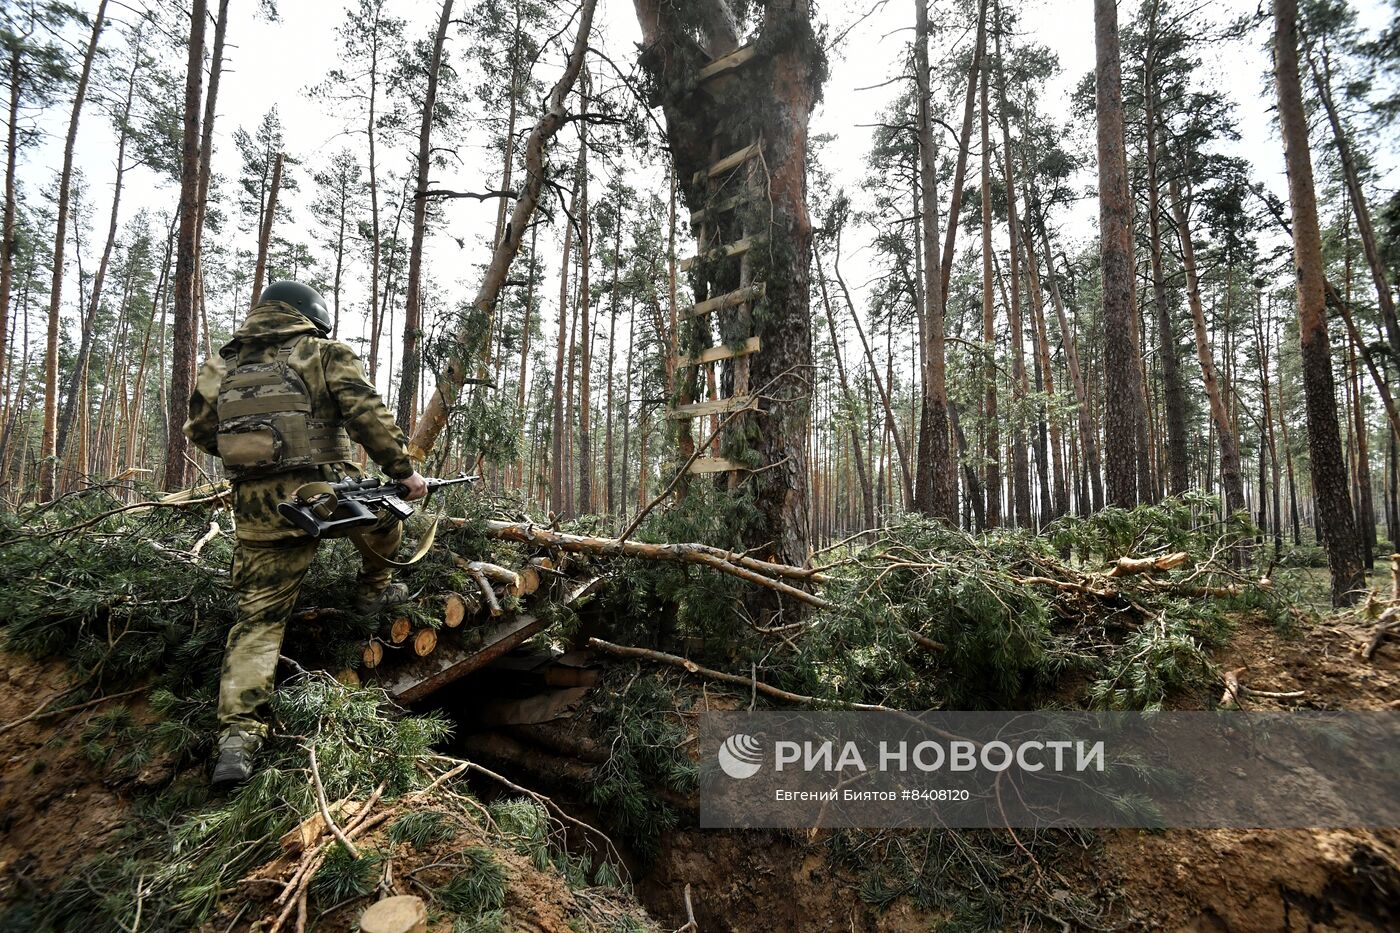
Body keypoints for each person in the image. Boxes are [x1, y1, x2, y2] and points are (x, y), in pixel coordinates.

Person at [184, 280, 428, 788]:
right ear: (311, 317)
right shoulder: (322, 352)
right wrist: (404, 470)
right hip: (325, 496)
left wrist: (258, 457)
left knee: (258, 624)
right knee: (387, 513)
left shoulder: (221, 366)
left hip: (258, 509)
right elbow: (365, 413)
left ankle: (237, 739)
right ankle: (373, 594)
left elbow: (204, 433)